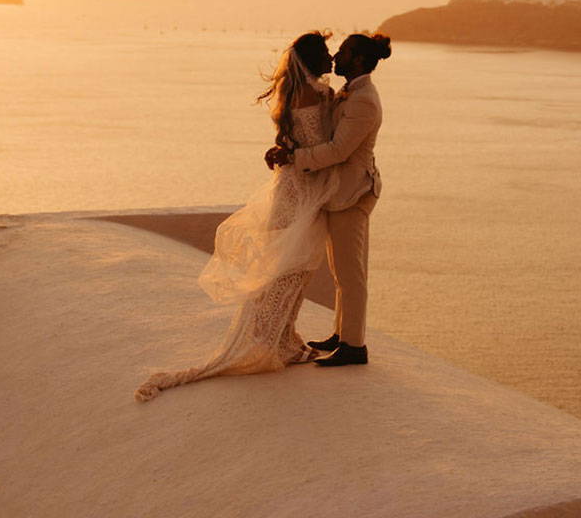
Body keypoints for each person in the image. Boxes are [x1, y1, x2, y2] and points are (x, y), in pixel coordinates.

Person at [134, 31, 339, 402]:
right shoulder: (314, 95)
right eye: (325, 52)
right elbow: (318, 146)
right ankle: (269, 342)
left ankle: (285, 339)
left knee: (293, 268)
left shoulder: (301, 92)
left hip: (292, 189)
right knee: (290, 269)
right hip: (302, 192)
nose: (331, 57)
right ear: (311, 60)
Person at [266, 31, 391, 368]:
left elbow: (339, 150)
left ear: (360, 60)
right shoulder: (350, 92)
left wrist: (295, 158)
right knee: (340, 273)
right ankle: (341, 335)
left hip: (353, 193)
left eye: (345, 51)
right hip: (338, 193)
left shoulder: (364, 99)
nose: (336, 56)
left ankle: (354, 346)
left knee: (352, 274)